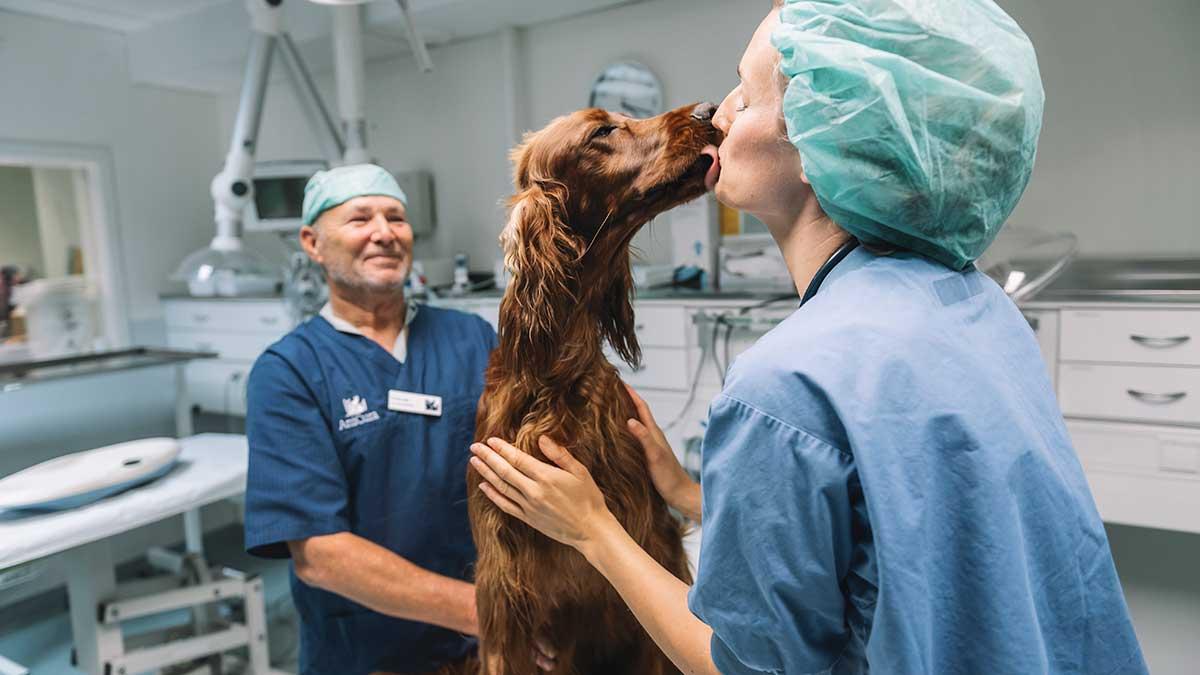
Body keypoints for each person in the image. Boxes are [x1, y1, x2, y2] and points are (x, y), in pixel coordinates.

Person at [467, 1, 1149, 673]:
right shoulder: (979, 308)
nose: (720, 111)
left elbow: (737, 666)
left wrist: (594, 529)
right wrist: (691, 494)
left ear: (823, 136)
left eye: (748, 92)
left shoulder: (785, 387)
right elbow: (909, 523)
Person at [243, 164, 497, 674]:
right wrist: (490, 614)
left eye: (396, 218)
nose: (384, 232)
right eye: (360, 219)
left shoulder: (472, 338)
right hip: (367, 652)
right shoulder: (290, 371)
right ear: (313, 243)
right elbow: (320, 553)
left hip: (488, 651)